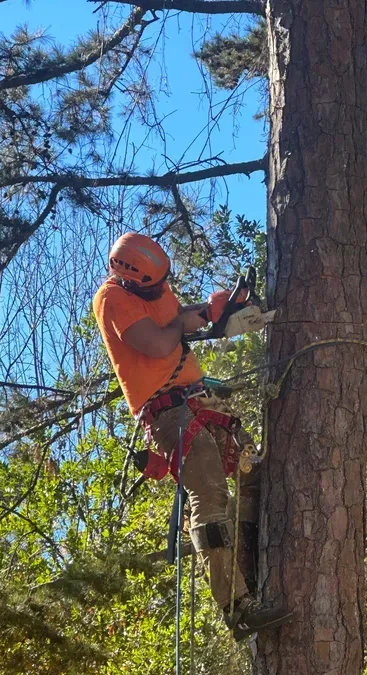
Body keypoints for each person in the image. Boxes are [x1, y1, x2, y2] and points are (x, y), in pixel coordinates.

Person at [93, 232, 292, 640]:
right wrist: (191, 322)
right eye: (153, 284)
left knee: (254, 471)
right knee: (209, 495)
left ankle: (252, 575)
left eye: (161, 282)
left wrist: (211, 311)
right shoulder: (113, 300)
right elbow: (158, 342)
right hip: (168, 414)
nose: (161, 290)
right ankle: (236, 608)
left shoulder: (153, 287)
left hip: (199, 402)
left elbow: (174, 316)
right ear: (130, 276)